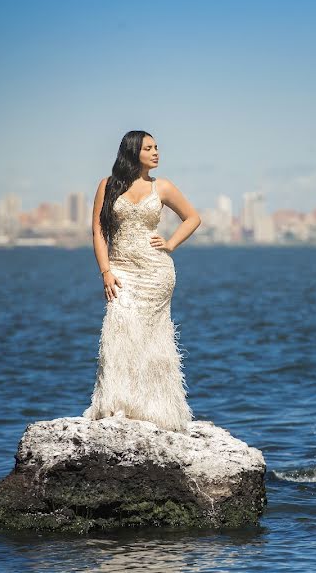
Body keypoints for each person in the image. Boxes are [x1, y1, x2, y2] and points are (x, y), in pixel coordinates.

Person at [82, 130, 201, 432]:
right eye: (149, 148)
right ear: (133, 152)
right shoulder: (107, 186)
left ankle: (157, 410)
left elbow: (193, 218)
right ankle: (117, 403)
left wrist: (171, 244)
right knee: (119, 329)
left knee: (153, 339)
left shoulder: (163, 186)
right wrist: (105, 271)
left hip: (156, 273)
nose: (156, 152)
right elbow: (98, 232)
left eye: (157, 147)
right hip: (121, 271)